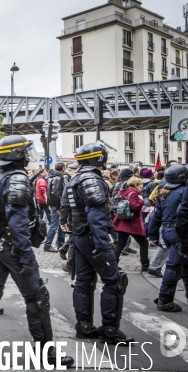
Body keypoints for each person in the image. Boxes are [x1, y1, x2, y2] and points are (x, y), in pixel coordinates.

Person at [0, 136, 73, 367]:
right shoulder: (16, 178)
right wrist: (27, 257)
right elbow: (18, 223)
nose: (28, 156)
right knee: (37, 298)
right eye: (25, 152)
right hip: (12, 247)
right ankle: (45, 354)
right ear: (17, 154)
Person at [63, 142, 133, 344]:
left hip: (80, 236)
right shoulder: (92, 180)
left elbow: (65, 209)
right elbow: (96, 216)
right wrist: (103, 244)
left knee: (84, 282)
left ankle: (84, 326)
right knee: (114, 281)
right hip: (93, 236)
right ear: (98, 158)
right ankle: (109, 329)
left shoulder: (75, 179)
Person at [149, 165, 188, 312]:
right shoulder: (183, 192)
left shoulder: (164, 192)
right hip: (180, 232)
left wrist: (152, 234)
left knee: (180, 265)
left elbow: (156, 215)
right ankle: (164, 300)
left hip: (167, 230)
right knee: (173, 266)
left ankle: (165, 297)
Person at [112, 176, 150, 271]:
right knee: (144, 243)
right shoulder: (133, 193)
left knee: (120, 244)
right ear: (136, 185)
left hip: (124, 222)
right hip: (132, 223)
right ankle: (145, 265)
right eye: (141, 184)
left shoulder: (126, 192)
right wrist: (141, 200)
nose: (142, 186)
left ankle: (113, 264)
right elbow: (134, 206)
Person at [44, 162, 65, 252]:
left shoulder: (52, 177)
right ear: (63, 168)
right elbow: (56, 193)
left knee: (60, 224)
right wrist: (59, 207)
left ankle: (60, 244)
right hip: (57, 205)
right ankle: (48, 244)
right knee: (54, 225)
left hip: (55, 204)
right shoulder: (57, 178)